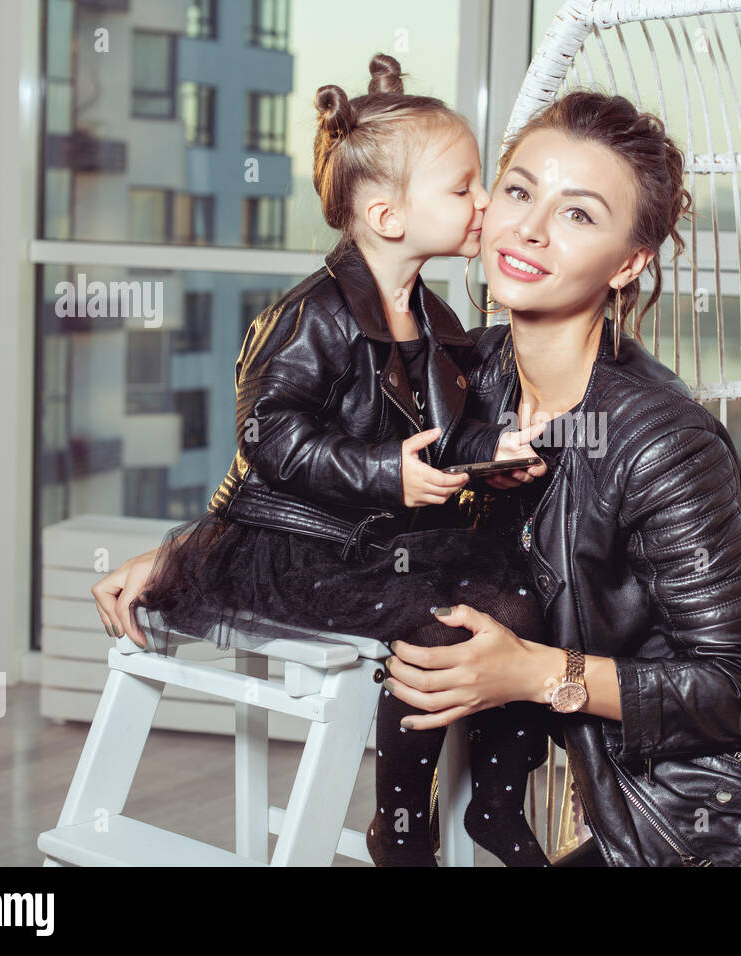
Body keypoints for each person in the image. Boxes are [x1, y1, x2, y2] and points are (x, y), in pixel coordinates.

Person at [379, 89, 741, 867]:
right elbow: (312, 465)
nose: (530, 228)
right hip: (629, 831)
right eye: (519, 190)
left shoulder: (662, 442)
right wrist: (184, 560)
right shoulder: (469, 378)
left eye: (578, 214)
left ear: (630, 261)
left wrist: (535, 674)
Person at [99, 54, 554, 867]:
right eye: (464, 187)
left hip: (377, 539)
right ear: (386, 215)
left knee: (522, 599)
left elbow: (441, 436)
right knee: (440, 628)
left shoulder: (430, 313)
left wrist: (493, 454)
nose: (484, 201)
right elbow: (269, 435)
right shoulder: (312, 315)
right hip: (303, 545)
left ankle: (494, 801)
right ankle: (401, 822)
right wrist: (386, 472)